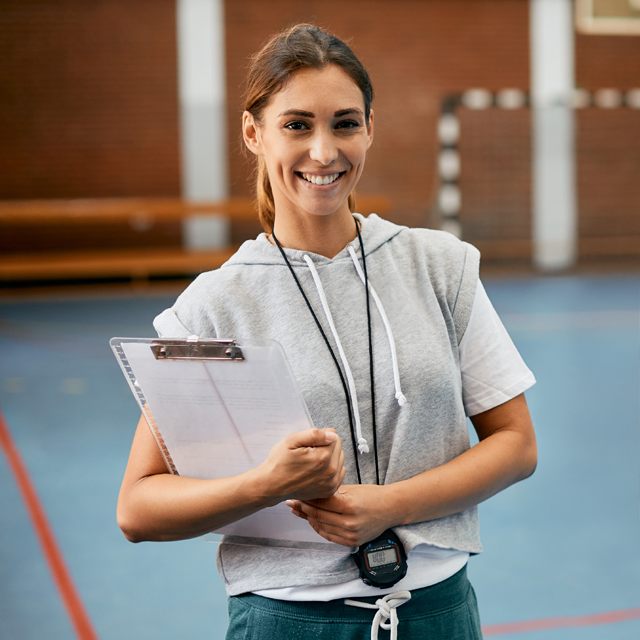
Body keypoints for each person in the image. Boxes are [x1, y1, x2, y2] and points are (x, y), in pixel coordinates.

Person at [117, 24, 537, 640]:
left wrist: (390, 505)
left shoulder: (439, 265)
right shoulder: (213, 305)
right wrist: (265, 486)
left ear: (369, 127)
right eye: (296, 125)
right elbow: (138, 507)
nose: (323, 151)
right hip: (286, 621)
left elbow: (516, 445)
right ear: (252, 132)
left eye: (344, 123)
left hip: (436, 614)